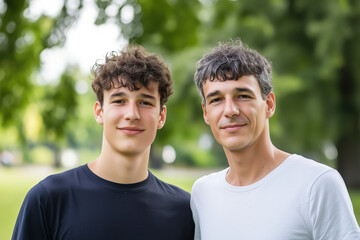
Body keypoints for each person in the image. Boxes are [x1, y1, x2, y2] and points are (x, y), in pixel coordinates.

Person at [12, 45, 194, 240]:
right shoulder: (48, 200)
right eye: (119, 101)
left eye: (145, 102)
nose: (132, 114)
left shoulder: (183, 210)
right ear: (99, 112)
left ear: (161, 116)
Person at [191, 41, 360, 239]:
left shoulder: (317, 184)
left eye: (243, 96)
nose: (230, 110)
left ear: (269, 104)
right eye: (216, 100)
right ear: (205, 113)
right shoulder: (203, 192)